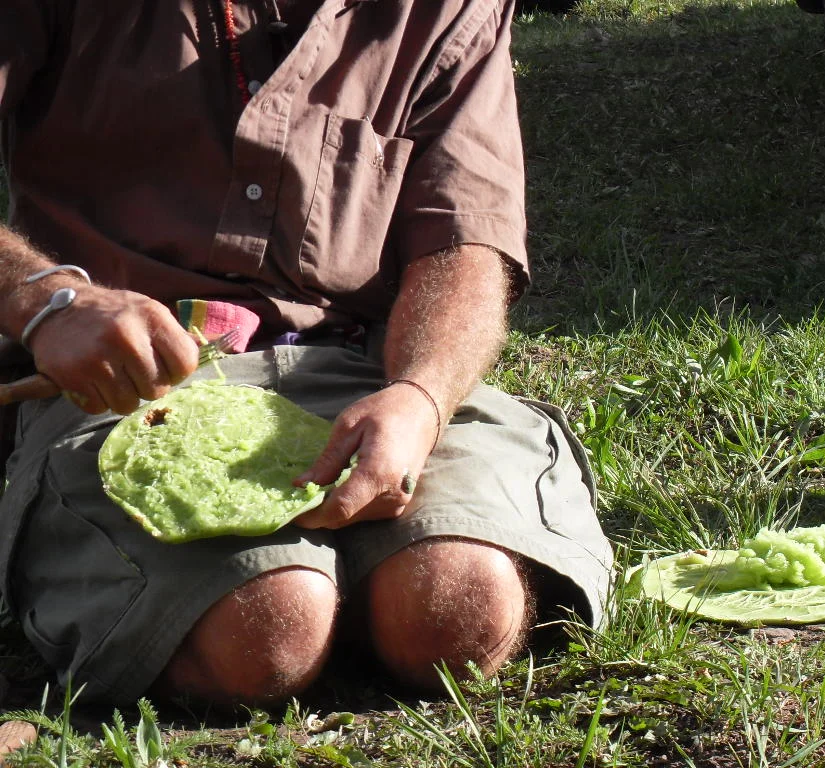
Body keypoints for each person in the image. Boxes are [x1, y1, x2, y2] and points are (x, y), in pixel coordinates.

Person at [0, 0, 613, 707]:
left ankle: (352, 592)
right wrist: (41, 299)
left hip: (368, 370)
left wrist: (421, 396)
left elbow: (465, 240)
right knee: (267, 632)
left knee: (458, 613)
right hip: (127, 384)